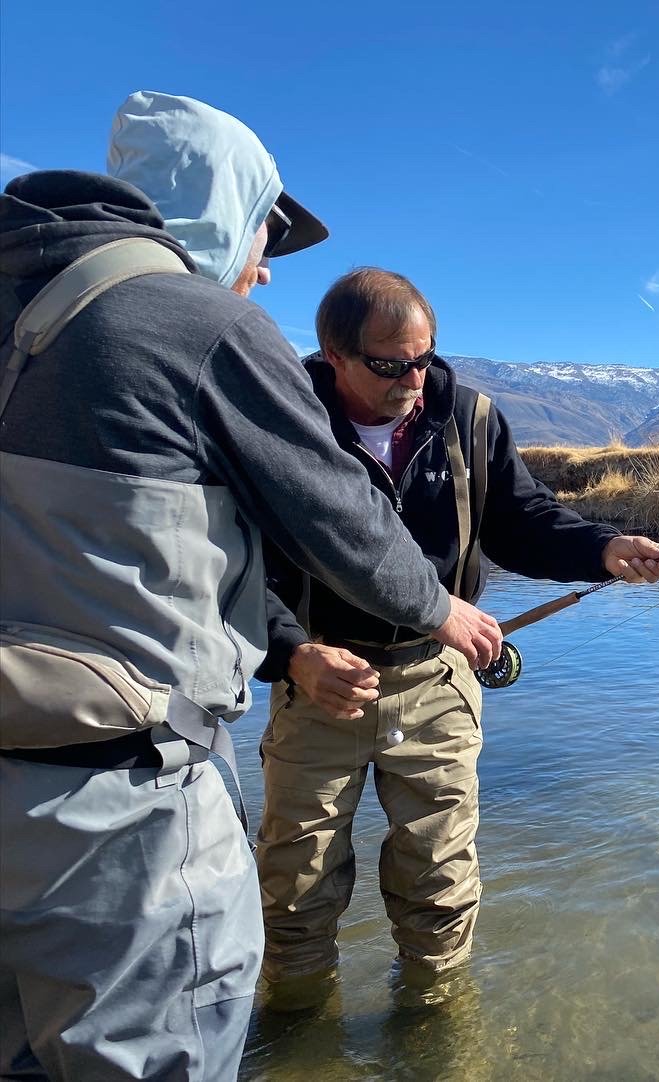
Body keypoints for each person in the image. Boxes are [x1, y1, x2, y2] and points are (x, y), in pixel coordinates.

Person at [0, 92, 504, 1080]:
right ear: (214, 207)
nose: (266, 264)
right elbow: (344, 524)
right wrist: (445, 609)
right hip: (126, 806)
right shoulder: (203, 325)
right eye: (265, 228)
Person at [255, 267, 659, 999]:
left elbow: (522, 522)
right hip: (318, 685)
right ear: (333, 355)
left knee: (440, 886)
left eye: (425, 357)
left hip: (438, 680)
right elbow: (234, 564)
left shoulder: (470, 420)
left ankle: (438, 1025)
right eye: (390, 364)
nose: (414, 378)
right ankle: (295, 1030)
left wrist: (602, 549)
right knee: (294, 895)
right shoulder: (276, 422)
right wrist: (290, 653)